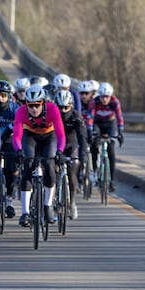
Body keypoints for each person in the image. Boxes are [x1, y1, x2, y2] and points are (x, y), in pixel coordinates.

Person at [12, 84, 66, 227]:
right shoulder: (21, 112)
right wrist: (18, 151)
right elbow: (17, 136)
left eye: (37, 105)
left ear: (43, 103)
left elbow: (61, 135)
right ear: (26, 104)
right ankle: (25, 212)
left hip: (49, 137)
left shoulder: (53, 109)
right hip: (30, 137)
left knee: (49, 164)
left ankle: (48, 205)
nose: (34, 109)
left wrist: (60, 151)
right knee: (28, 166)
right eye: (30, 105)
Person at [0, 80, 21, 218]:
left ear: (9, 96)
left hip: (8, 140)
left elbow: (18, 126)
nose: (0, 98)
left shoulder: (14, 108)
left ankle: (9, 201)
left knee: (10, 170)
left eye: (3, 95)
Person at [54, 90, 88, 219]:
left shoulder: (76, 117)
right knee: (52, 171)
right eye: (60, 107)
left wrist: (83, 153)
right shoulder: (52, 116)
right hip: (57, 146)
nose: (63, 111)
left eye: (66, 107)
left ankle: (72, 203)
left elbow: (82, 137)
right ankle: (53, 200)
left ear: (71, 106)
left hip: (72, 146)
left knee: (72, 174)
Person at [90, 82, 124, 191]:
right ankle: (95, 170)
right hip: (98, 123)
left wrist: (120, 132)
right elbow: (90, 117)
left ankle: (112, 180)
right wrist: (90, 130)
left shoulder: (115, 102)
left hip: (110, 124)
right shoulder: (94, 102)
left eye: (107, 97)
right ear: (99, 96)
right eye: (102, 97)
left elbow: (119, 117)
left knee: (111, 150)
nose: (105, 99)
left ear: (110, 96)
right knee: (94, 144)